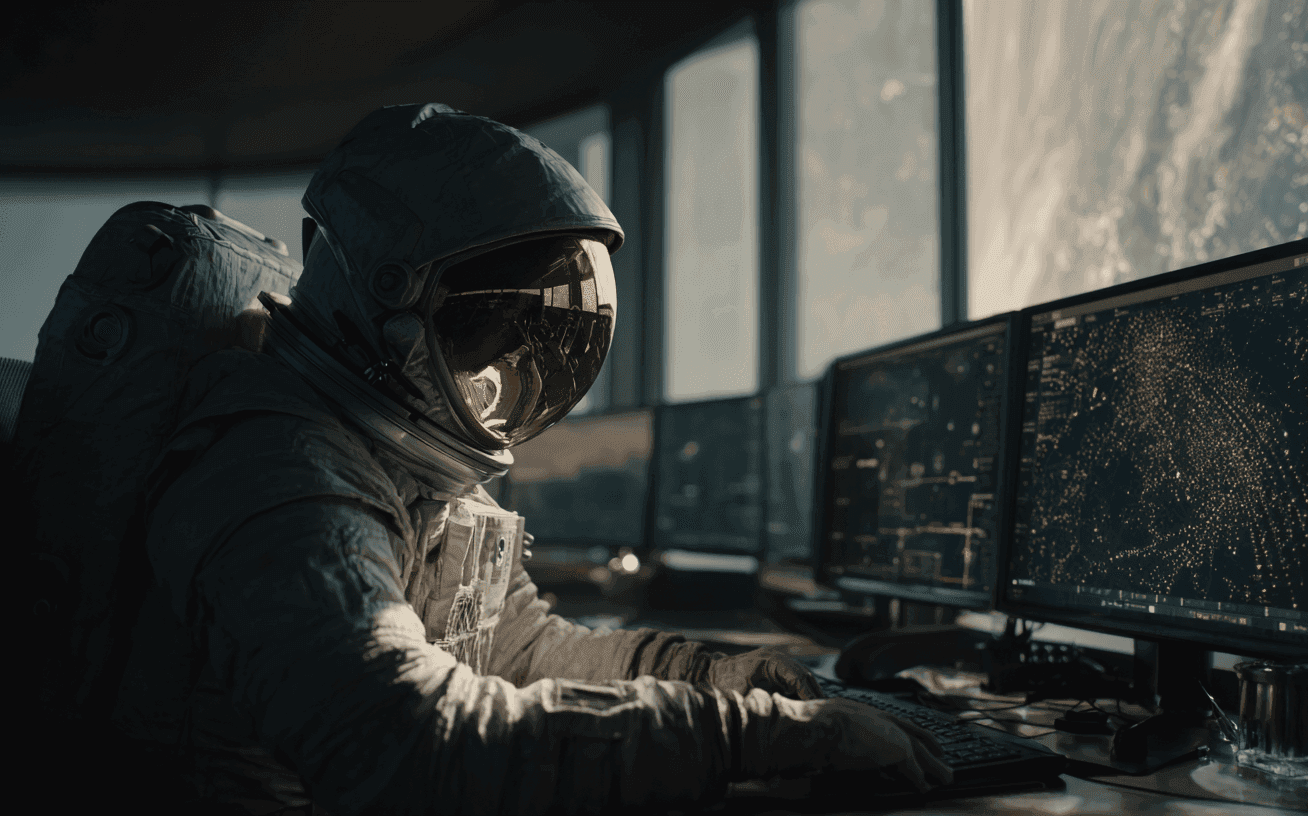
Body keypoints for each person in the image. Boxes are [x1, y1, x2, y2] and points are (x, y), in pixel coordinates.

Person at [102, 103, 951, 814]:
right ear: (389, 296)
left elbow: (520, 650)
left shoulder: (401, 458)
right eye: (485, 332)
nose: (501, 372)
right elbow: (404, 744)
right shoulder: (276, 469)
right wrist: (759, 736)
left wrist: (719, 679)